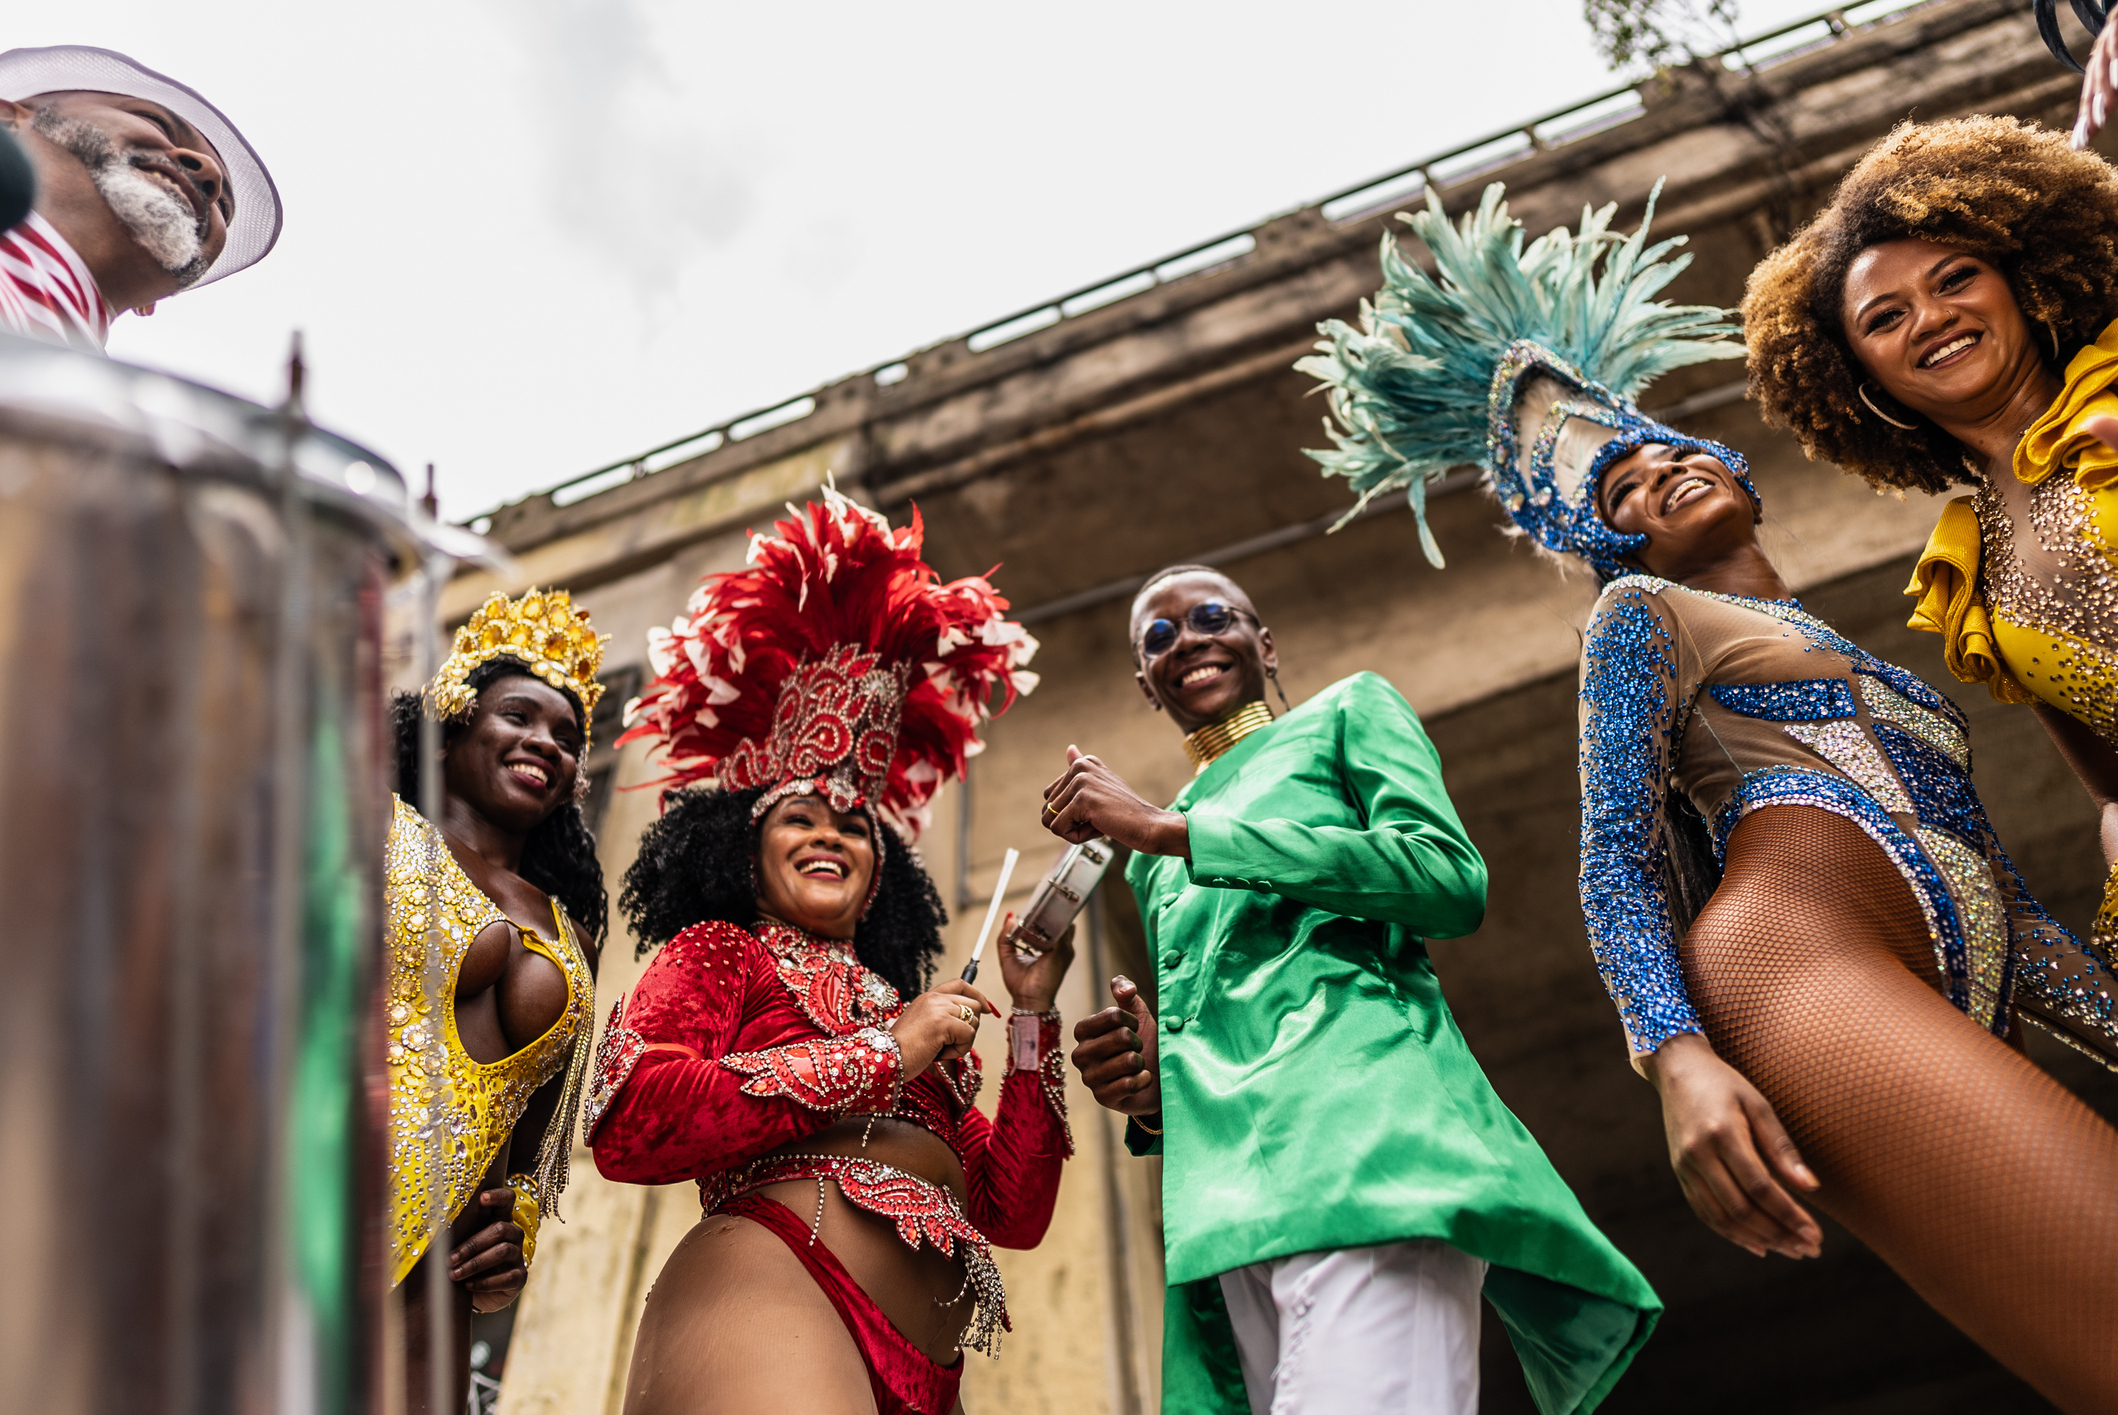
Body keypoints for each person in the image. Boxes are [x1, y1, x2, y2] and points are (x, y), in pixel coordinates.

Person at [1304, 180, 2118, 1412]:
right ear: (1614, 552)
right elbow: (1616, 858)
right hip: (1793, 971)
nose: (1654, 480)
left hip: (1946, 970)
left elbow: (1998, 893)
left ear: (1734, 464)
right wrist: (1673, 1054)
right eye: (1619, 496)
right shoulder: (1644, 617)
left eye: (1664, 454)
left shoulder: (1902, 657)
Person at [1055, 561, 1660, 1415]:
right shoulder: (1154, 865)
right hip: (1226, 1204)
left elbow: (1448, 879)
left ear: (1264, 642)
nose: (1187, 640)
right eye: (1159, 637)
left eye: (1211, 617)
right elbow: (1218, 1014)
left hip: (1369, 1144)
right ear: (1147, 686)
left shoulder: (1346, 712)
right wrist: (1153, 1085)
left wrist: (1175, 828)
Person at [587, 489, 1065, 1415]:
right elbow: (631, 1120)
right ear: (747, 847)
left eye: (854, 824)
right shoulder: (721, 953)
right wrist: (889, 1054)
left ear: (880, 874)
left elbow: (1014, 1212)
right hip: (769, 1288)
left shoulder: (907, 1009)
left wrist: (1035, 1014)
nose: (829, 835)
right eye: (798, 815)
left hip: (933, 1372)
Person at [1742, 115, 2118, 1021]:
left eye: (1956, 278)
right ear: (1862, 380)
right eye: (1886, 317)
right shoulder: (1967, 575)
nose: (1934, 318)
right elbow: (2109, 786)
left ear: (2024, 285)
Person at [387, 587, 609, 1413]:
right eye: (520, 715)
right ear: (449, 724)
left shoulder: (571, 932)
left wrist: (509, 1238)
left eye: (567, 736)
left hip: (432, 1290)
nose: (545, 743)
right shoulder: (366, 826)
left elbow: (524, 1145)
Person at [0, 45, 280, 350]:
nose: (209, 172)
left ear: (152, 301)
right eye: (156, 122)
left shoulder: (108, 392)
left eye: (223, 208)